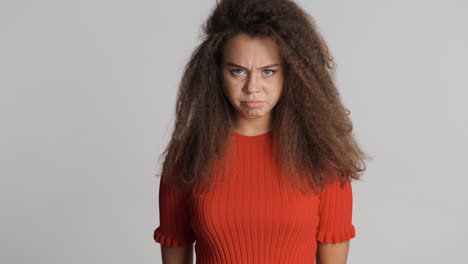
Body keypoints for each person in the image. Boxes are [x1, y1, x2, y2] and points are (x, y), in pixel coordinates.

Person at [153, 0, 371, 263]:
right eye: (237, 71)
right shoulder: (188, 157)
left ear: (291, 73)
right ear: (217, 72)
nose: (252, 87)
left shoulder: (324, 158)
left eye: (268, 71)